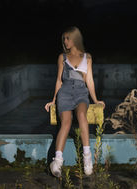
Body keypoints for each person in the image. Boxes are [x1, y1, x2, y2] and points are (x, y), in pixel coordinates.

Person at [44, 26, 105, 177]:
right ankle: (57, 161)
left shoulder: (87, 57)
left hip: (80, 92)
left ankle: (87, 159)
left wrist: (96, 99)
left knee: (82, 116)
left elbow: (89, 81)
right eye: (64, 38)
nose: (65, 41)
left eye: (68, 38)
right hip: (65, 92)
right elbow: (59, 80)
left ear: (75, 38)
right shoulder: (62, 58)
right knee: (66, 122)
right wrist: (53, 100)